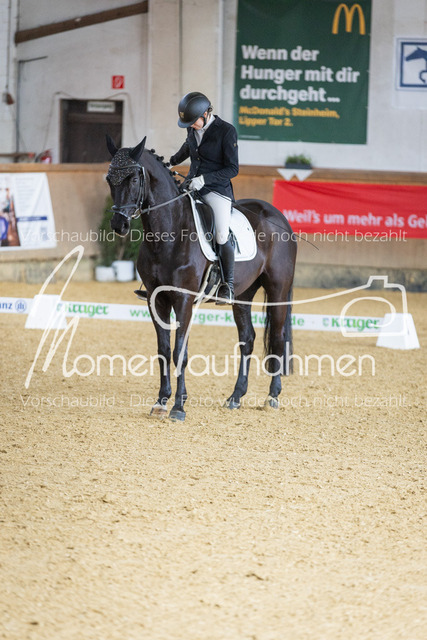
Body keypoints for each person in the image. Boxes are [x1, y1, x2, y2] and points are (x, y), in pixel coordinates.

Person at [170, 91, 239, 304]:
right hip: (192, 185)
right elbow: (188, 146)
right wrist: (171, 161)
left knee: (221, 234)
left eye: (194, 122)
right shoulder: (192, 127)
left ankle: (228, 286)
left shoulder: (226, 131)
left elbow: (233, 169)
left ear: (206, 114)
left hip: (216, 190)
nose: (191, 126)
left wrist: (205, 179)